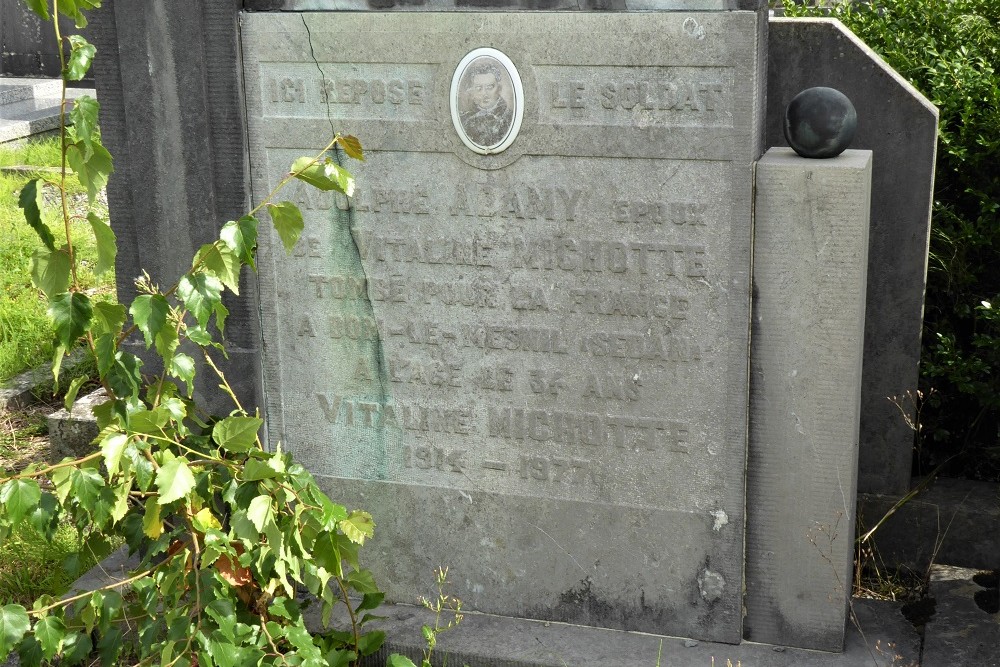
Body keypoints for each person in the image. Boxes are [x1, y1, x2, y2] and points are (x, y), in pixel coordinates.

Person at [460, 61, 514, 147]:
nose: (484, 93)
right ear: (473, 91)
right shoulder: (465, 120)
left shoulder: (510, 118)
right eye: (478, 88)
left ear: (499, 89)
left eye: (489, 87)